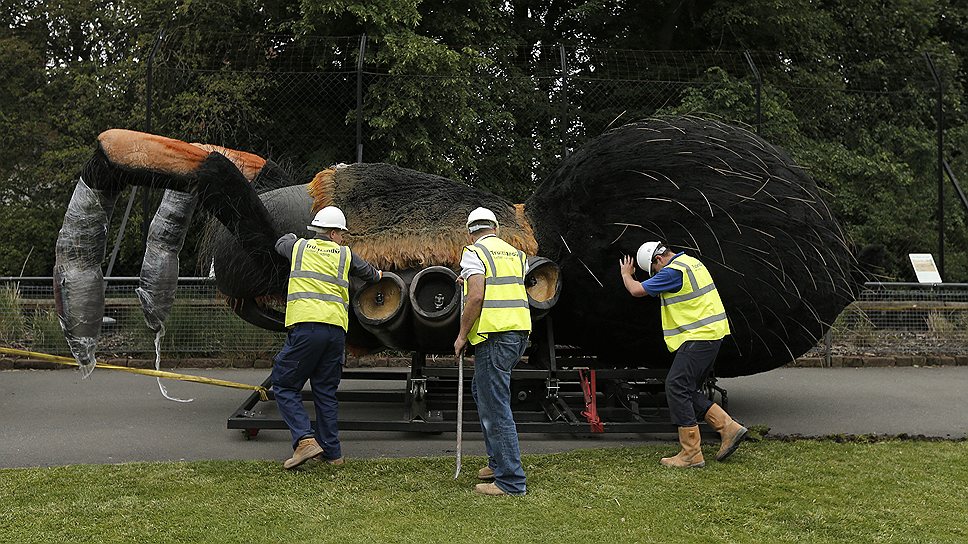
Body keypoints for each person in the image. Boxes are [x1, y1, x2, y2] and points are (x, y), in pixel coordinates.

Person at [272, 205, 382, 469]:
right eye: (341, 233)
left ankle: (304, 440)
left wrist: (295, 237)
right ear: (333, 233)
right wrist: (380, 274)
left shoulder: (298, 248)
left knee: (284, 383)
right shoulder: (345, 255)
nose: (343, 238)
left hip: (307, 328)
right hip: (335, 332)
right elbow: (370, 274)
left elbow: (280, 243)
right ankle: (333, 455)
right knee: (325, 392)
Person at [619, 241, 747, 468]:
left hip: (699, 337)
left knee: (675, 386)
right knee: (686, 389)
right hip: (710, 335)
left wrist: (626, 274)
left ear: (657, 260)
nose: (656, 274)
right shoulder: (691, 263)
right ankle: (728, 428)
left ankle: (691, 453)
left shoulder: (672, 272)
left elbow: (636, 290)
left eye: (653, 270)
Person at [454, 207, 531, 496]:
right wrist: (468, 281)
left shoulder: (474, 253)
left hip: (494, 336)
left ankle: (510, 480)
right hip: (518, 332)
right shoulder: (515, 254)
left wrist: (462, 336)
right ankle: (497, 462)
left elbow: (477, 295)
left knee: (495, 406)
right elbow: (503, 285)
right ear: (496, 229)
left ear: (470, 232)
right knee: (482, 392)